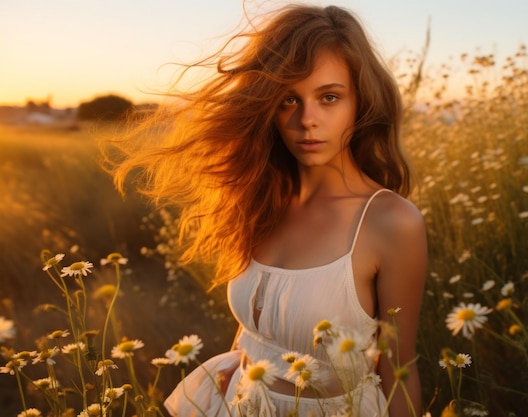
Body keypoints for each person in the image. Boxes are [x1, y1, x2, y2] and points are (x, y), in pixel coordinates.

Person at [109, 3, 428, 416]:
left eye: (329, 97)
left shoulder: (390, 222)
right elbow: (254, 331)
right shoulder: (262, 199)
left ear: (361, 103)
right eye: (287, 100)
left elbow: (399, 368)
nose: (307, 120)